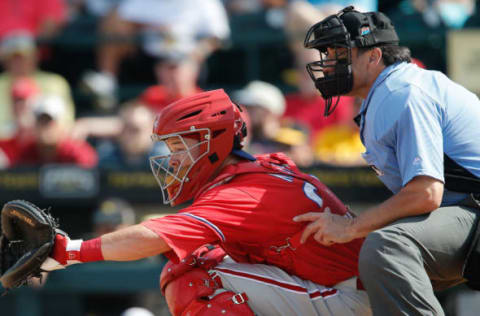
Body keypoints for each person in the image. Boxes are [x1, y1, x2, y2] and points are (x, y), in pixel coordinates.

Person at [41, 89, 370, 316]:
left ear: (214, 142)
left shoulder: (243, 190)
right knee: (202, 256)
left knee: (193, 272)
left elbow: (150, 237)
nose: (172, 160)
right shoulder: (257, 169)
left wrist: (70, 252)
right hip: (341, 288)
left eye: (179, 147)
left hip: (351, 300)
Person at [296, 6, 480, 315]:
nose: (328, 65)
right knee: (356, 257)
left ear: (373, 56)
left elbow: (425, 193)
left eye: (340, 54)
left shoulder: (402, 91)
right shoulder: (388, 90)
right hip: (466, 212)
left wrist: (354, 226)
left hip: (472, 211)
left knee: (386, 248)